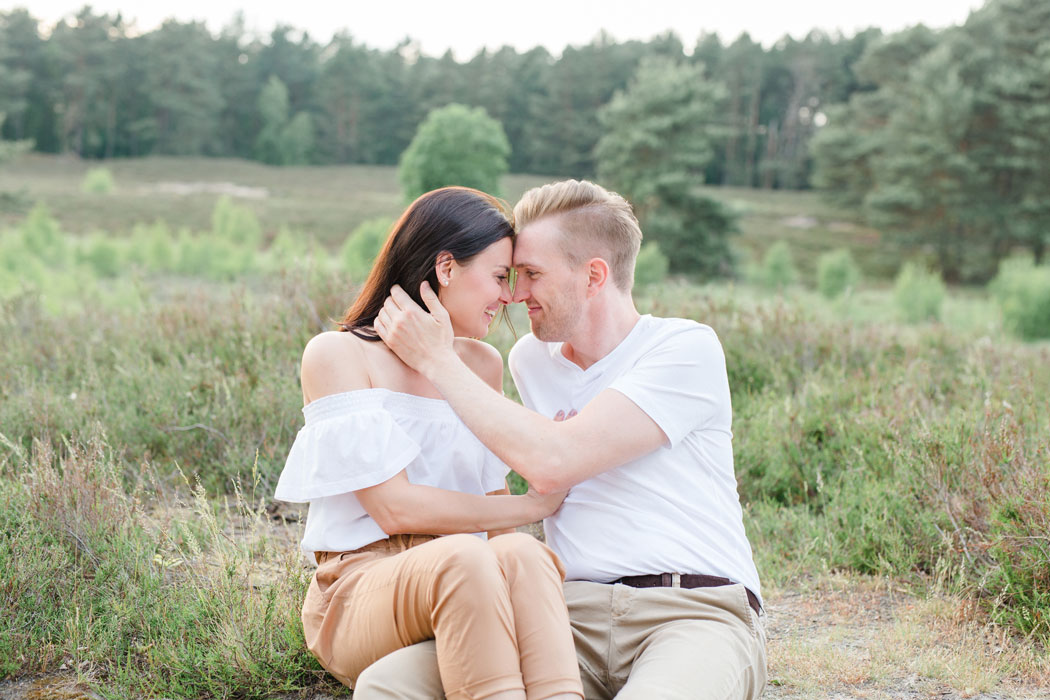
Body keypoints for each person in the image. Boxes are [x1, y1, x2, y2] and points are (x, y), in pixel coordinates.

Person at [366, 179, 767, 700]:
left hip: (692, 611)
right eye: (510, 275)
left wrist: (437, 360)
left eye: (531, 274)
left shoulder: (685, 348)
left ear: (594, 276)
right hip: (562, 612)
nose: (513, 294)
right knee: (389, 686)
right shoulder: (530, 361)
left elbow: (555, 461)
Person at [273, 186, 584, 700]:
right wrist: (535, 504)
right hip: (360, 589)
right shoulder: (338, 355)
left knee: (525, 556)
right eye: (500, 277)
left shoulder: (481, 366)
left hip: (467, 579)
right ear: (446, 268)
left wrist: (531, 497)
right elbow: (393, 509)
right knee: (469, 556)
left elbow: (491, 511)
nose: (508, 297)